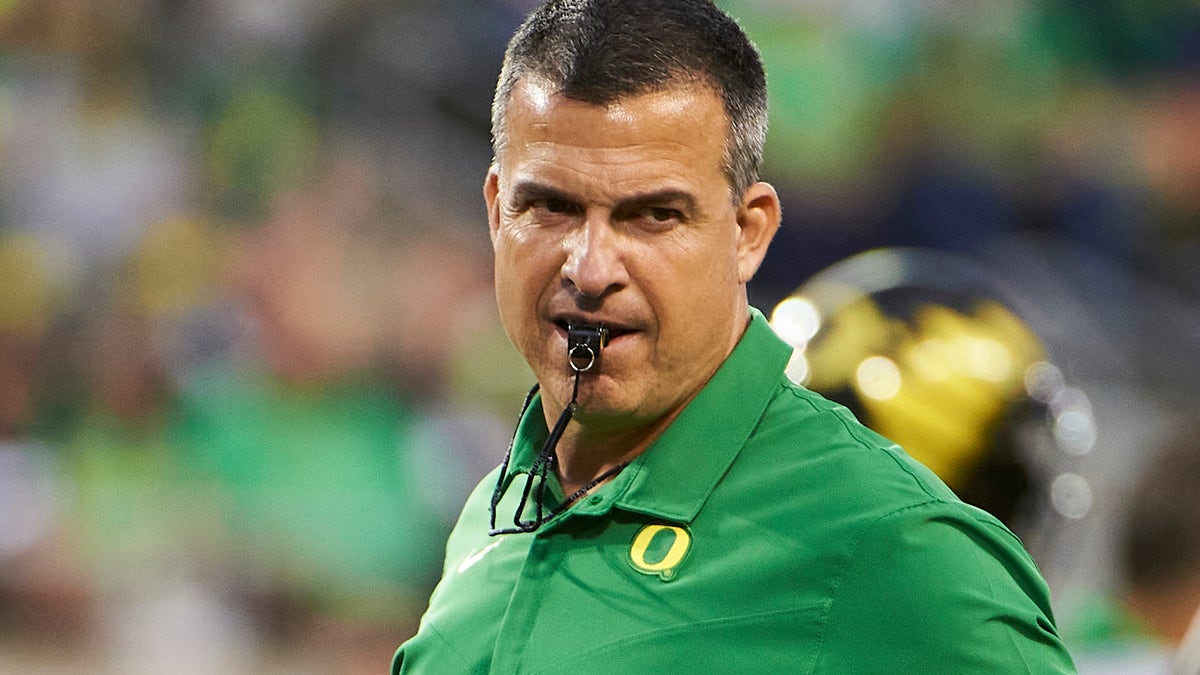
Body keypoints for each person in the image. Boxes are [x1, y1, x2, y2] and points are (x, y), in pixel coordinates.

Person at [393, 0, 1076, 672]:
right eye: (549, 207)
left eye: (653, 215)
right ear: (495, 211)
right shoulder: (492, 513)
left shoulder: (889, 542)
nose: (591, 268)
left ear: (749, 232)